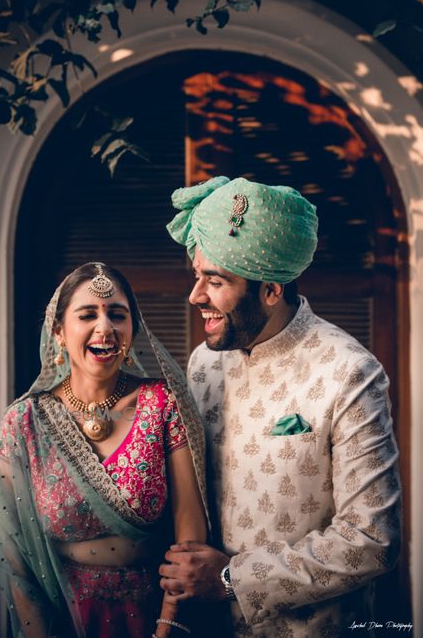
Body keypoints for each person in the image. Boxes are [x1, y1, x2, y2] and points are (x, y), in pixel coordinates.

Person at [160, 176, 402, 637]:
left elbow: (372, 540)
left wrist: (233, 579)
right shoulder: (205, 365)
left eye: (215, 281)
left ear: (272, 289)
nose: (196, 297)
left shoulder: (348, 371)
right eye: (197, 276)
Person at [0, 262, 208, 638]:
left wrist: (169, 625)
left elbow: (190, 533)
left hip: (155, 614)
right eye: (87, 314)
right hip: (64, 618)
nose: (106, 327)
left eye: (118, 315)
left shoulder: (162, 403)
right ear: (59, 332)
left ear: (132, 330)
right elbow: (15, 559)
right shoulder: (24, 423)